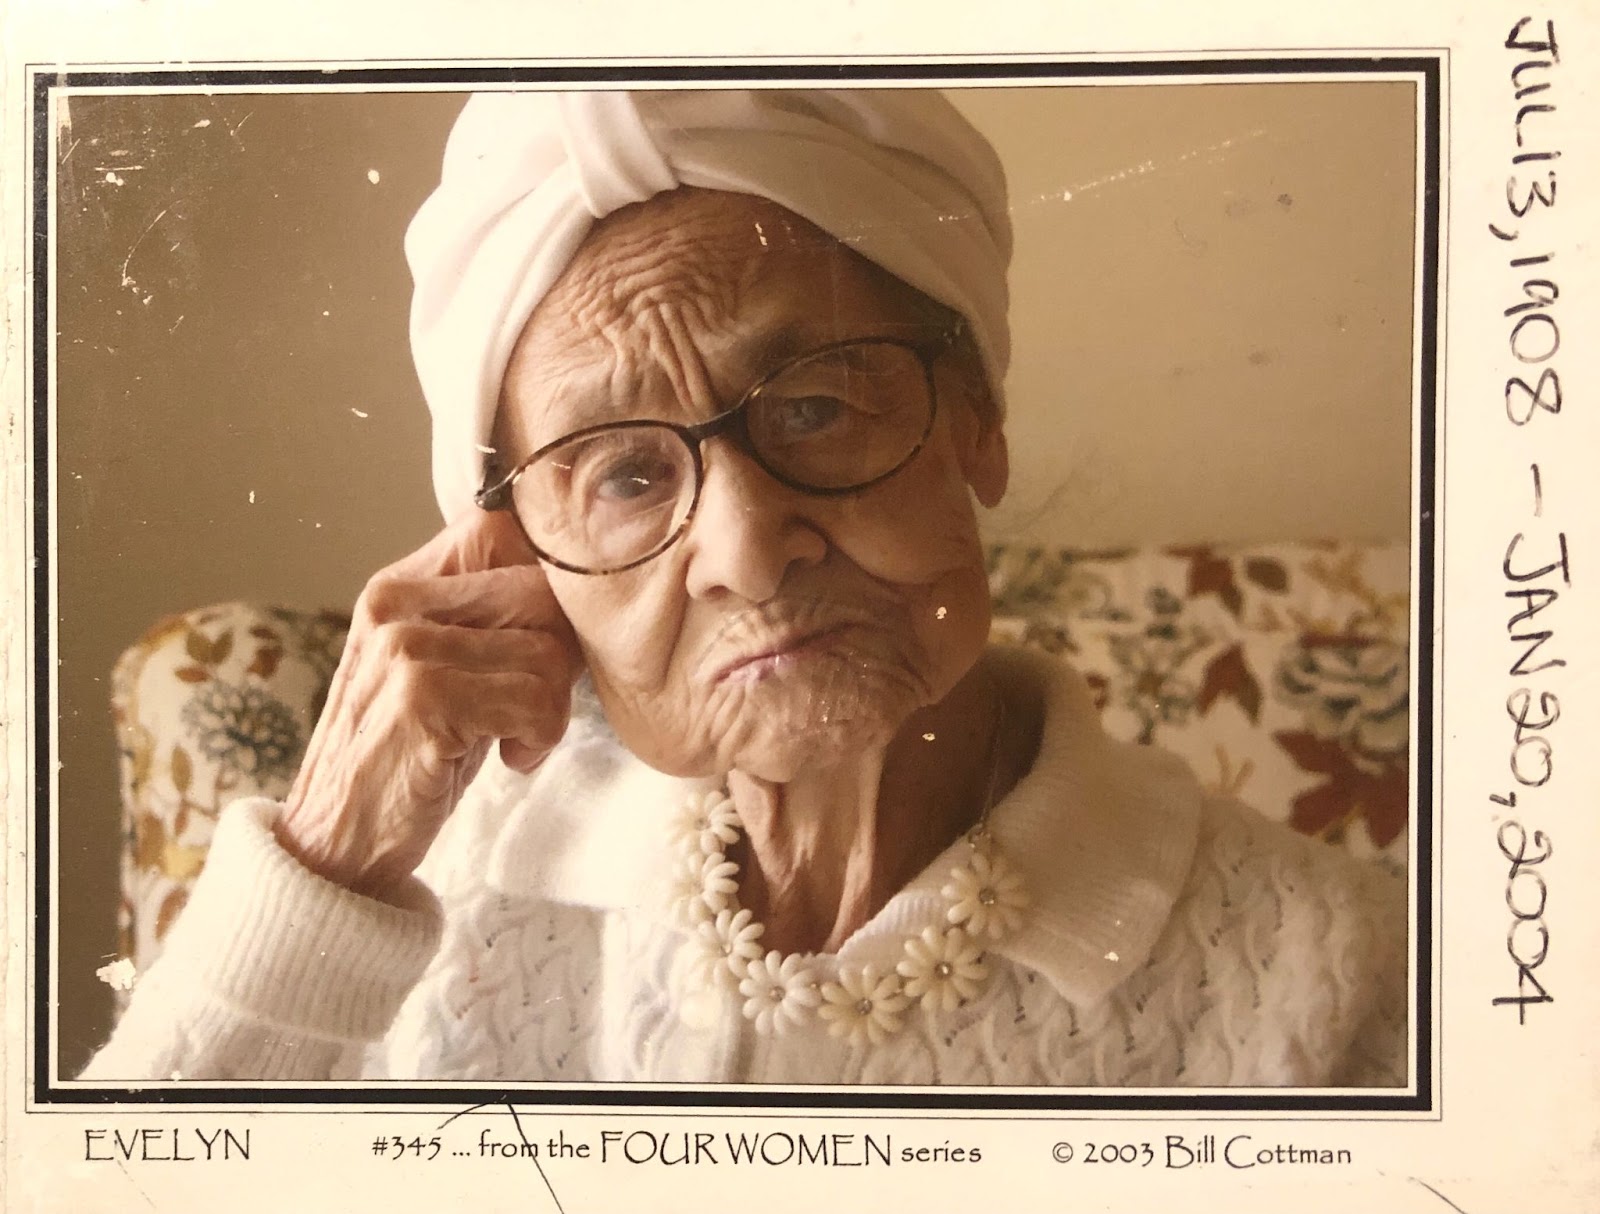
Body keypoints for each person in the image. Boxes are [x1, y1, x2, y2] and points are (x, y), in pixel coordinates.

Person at [83, 89, 1406, 1086]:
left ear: (976, 426)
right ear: (522, 556)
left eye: (818, 405)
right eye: (621, 477)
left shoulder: (1327, 975)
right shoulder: (456, 886)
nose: (746, 548)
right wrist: (327, 862)